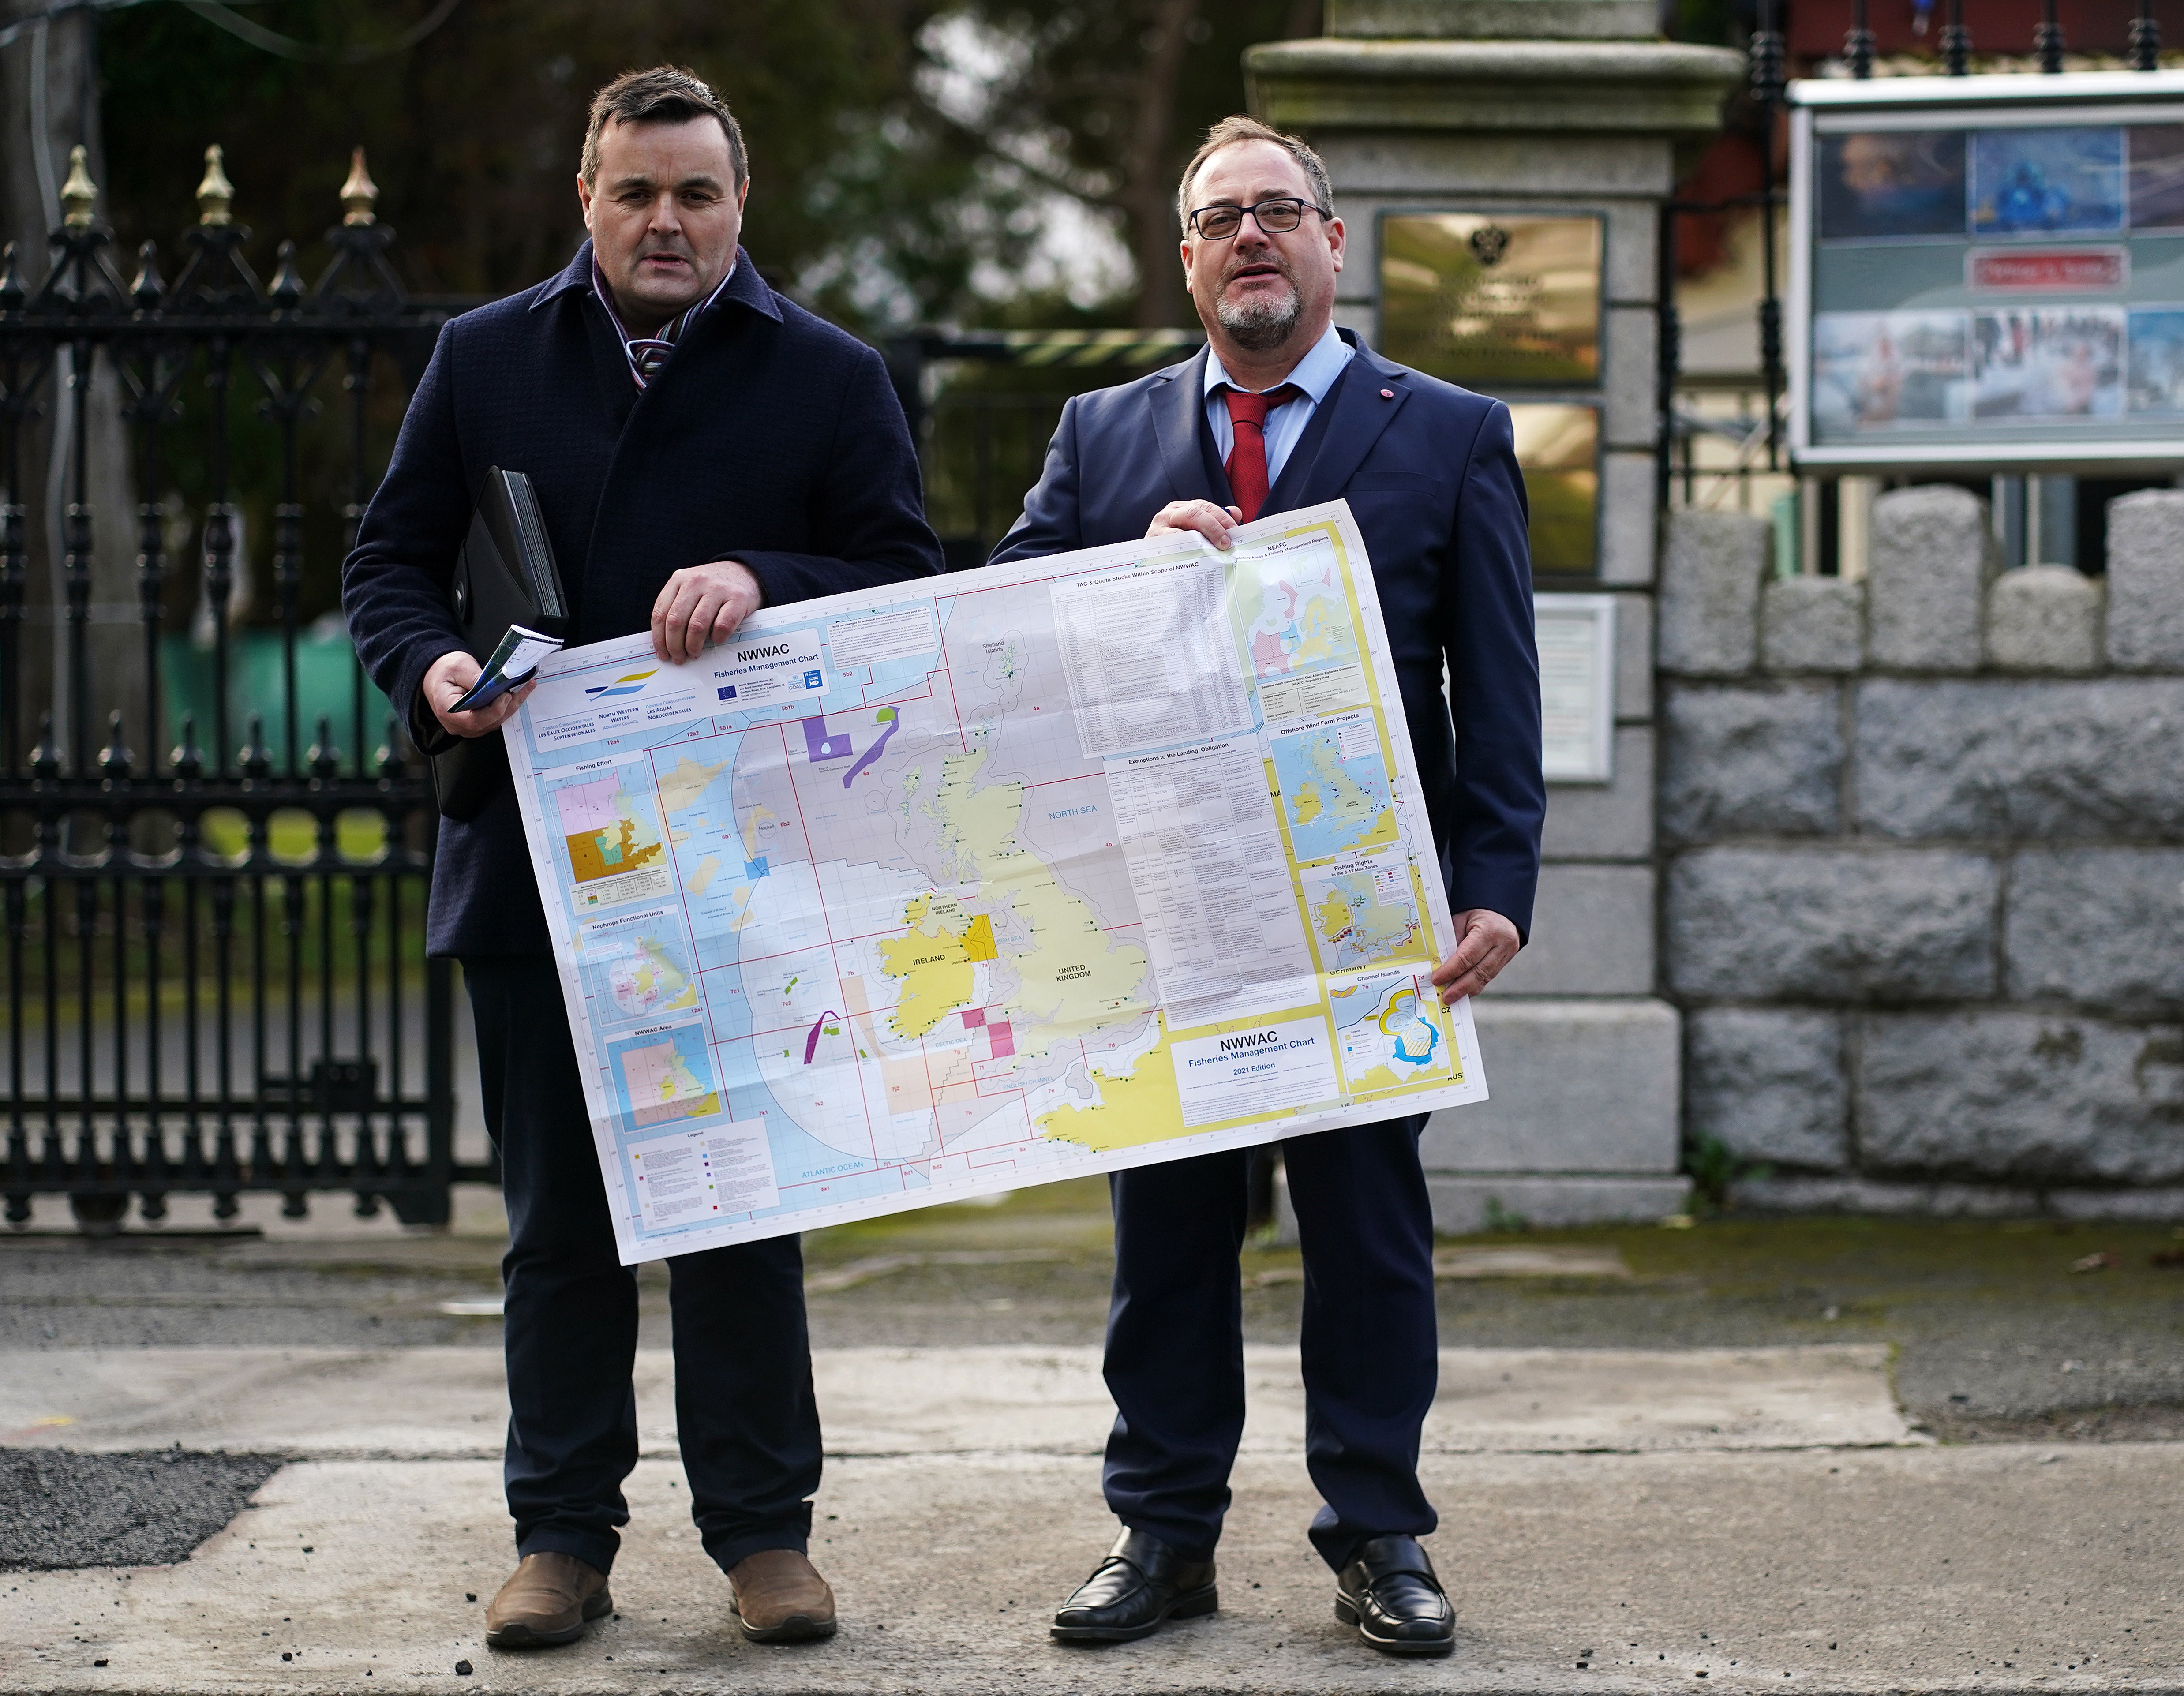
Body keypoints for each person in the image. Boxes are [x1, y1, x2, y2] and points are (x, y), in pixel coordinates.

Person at [341, 66, 941, 1651]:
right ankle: (561, 1538)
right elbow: (388, 562)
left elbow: (898, 582)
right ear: (587, 203)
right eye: (635, 192)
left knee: (741, 1208)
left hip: (748, 873)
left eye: (696, 193)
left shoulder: (830, 374)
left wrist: (761, 573)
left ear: (741, 205)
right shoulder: (484, 358)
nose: (665, 220)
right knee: (557, 1226)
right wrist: (428, 674)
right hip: (533, 866)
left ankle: (764, 1540)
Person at [989, 114, 1544, 1660]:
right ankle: (1163, 1537)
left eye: (1278, 212)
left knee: (1366, 1232)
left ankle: (1380, 1536)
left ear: (1331, 242)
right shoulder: (1105, 436)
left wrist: (1498, 880)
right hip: (1164, 920)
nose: (1250, 236)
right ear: (1185, 258)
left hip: (1374, 924)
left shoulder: (1445, 429)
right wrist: (1122, 568)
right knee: (1165, 1236)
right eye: (1220, 216)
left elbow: (1497, 683)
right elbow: (1010, 635)